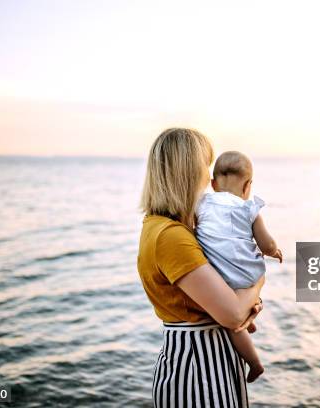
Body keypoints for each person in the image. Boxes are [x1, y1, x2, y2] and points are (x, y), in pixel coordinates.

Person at [137, 128, 264, 407]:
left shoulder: (167, 226)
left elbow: (223, 302)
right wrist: (258, 278)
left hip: (208, 360)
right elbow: (231, 315)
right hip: (198, 370)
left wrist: (247, 303)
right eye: (206, 166)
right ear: (189, 172)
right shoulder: (170, 236)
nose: (210, 177)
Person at [195, 151, 282, 384]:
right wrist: (275, 252)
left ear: (213, 184)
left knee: (230, 319)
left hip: (216, 273)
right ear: (247, 186)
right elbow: (266, 244)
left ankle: (252, 349)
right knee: (235, 320)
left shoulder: (201, 204)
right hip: (245, 273)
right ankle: (253, 349)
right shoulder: (249, 209)